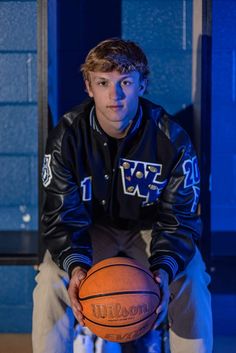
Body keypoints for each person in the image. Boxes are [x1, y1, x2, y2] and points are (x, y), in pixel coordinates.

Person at [32, 38, 213, 353]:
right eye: (103, 83)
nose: (114, 95)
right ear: (89, 87)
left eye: (125, 82)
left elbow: (179, 219)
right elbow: (61, 216)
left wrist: (164, 268)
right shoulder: (68, 137)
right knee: (49, 278)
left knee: (193, 279)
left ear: (142, 85)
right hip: (93, 231)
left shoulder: (172, 139)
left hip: (150, 229)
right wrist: (75, 266)